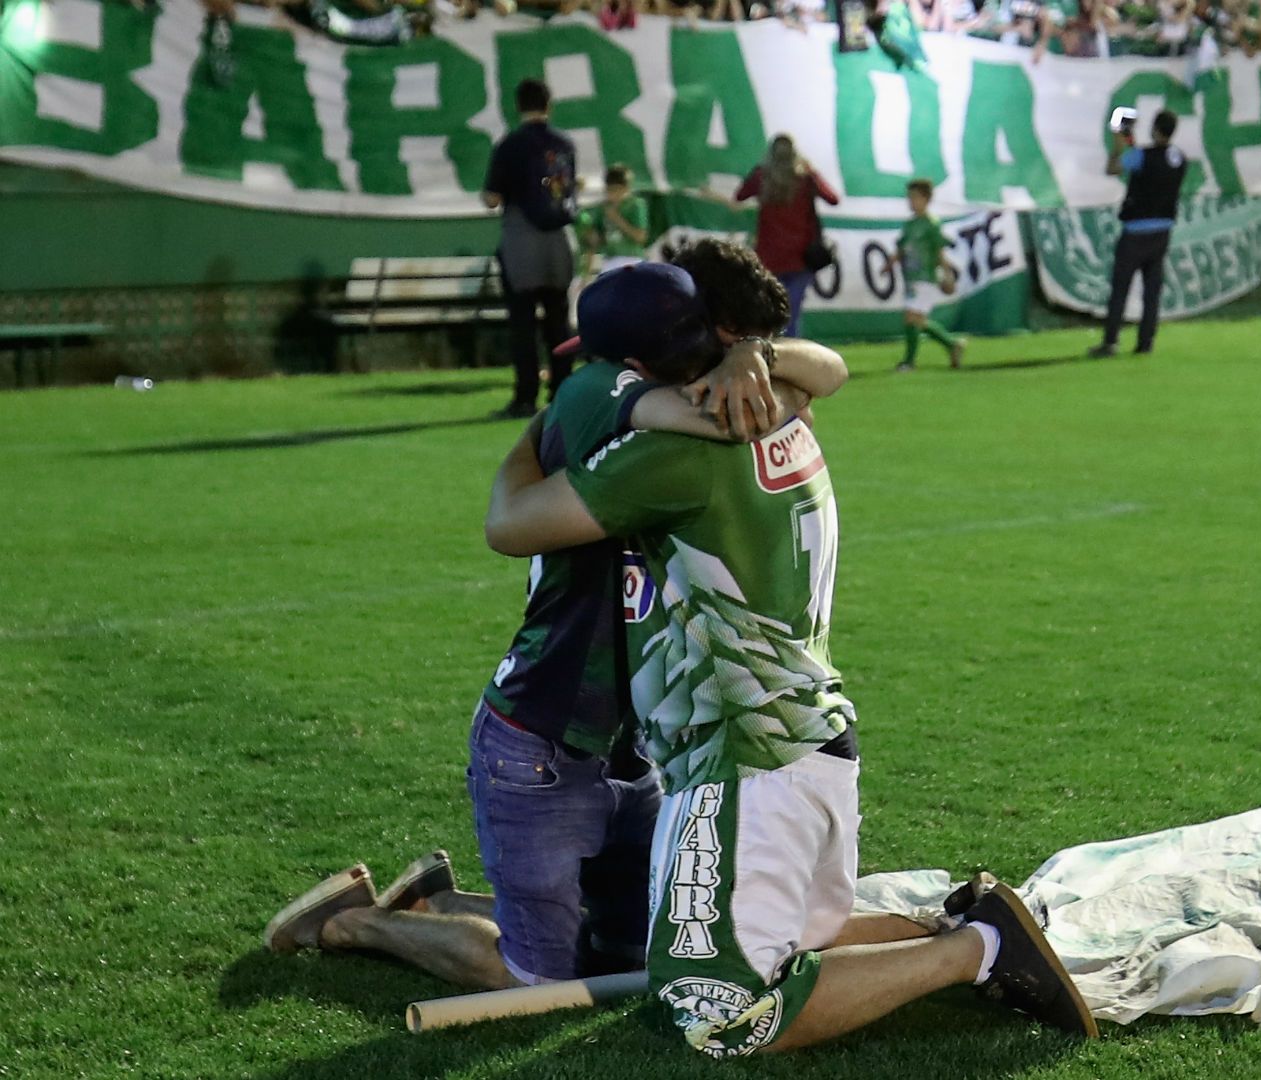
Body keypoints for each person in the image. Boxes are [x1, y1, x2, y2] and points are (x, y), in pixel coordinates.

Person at [482, 272, 1099, 1059]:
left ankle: (975, 949)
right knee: (796, 941)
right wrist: (754, 356)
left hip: (743, 756)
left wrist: (534, 439)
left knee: (714, 1012)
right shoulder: (780, 404)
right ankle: (959, 924)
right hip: (808, 736)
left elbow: (511, 525)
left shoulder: (670, 451)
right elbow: (823, 370)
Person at [262, 254, 851, 990]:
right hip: (542, 736)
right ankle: (355, 922)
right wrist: (534, 444)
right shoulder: (600, 390)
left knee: (632, 955)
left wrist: (752, 357)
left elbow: (818, 377)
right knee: (535, 980)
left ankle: (437, 898)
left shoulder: (647, 388)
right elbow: (509, 525)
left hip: (632, 746)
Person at [486, 79, 579, 419]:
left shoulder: (509, 146)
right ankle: (563, 392)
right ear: (549, 104)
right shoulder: (564, 144)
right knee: (558, 321)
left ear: (518, 105)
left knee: (522, 322)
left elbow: (492, 198)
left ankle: (525, 396)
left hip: (521, 240)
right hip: (559, 239)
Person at [1091, 110, 1188, 359]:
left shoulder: (1140, 156)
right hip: (1162, 230)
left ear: (1155, 129)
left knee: (1120, 288)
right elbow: (1159, 162)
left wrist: (1118, 144)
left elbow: (1113, 169)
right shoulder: (1179, 158)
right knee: (1151, 290)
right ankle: (1146, 342)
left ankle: (1111, 341)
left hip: (1135, 232)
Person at [735, 135, 842, 339]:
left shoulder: (761, 176)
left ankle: (768, 354)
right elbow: (833, 199)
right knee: (791, 314)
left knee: (770, 312)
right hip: (801, 257)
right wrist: (812, 171)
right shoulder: (805, 178)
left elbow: (740, 196)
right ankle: (791, 360)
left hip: (768, 256)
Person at [890, 178, 966, 372]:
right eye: (909, 197)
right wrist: (890, 263)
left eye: (914, 197)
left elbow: (940, 251)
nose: (911, 201)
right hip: (911, 277)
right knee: (918, 320)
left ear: (926, 199)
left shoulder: (932, 224)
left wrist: (947, 274)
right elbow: (902, 248)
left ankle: (909, 362)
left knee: (912, 318)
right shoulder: (910, 224)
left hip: (926, 277)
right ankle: (952, 344)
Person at [575, 164, 651, 281]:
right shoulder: (603, 208)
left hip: (631, 259)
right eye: (609, 190)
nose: (612, 194)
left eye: (617, 190)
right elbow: (597, 239)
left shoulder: (636, 205)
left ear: (626, 189)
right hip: (609, 259)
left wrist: (617, 219)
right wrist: (592, 236)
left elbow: (641, 237)